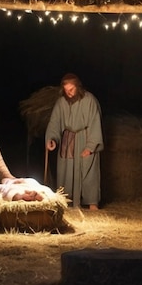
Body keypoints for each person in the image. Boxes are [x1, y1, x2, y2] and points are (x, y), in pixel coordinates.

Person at [45, 73, 104, 210]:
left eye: (71, 90)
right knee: (66, 171)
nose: (69, 93)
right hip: (68, 140)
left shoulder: (90, 100)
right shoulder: (61, 102)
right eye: (66, 90)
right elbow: (55, 122)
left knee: (88, 172)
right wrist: (52, 139)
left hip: (85, 138)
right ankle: (66, 201)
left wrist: (90, 146)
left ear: (78, 87)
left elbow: (95, 123)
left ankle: (92, 203)